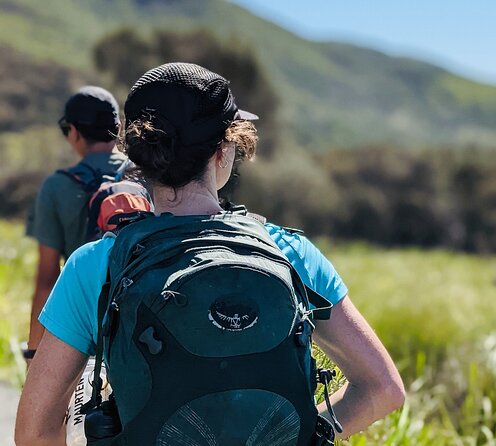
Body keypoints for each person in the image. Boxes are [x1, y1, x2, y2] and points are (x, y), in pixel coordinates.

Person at [16, 63, 404, 445]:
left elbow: (35, 432)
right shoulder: (290, 253)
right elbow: (383, 390)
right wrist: (299, 435)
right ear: (224, 149)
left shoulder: (96, 264)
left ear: (137, 153)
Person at [24, 86, 124, 364]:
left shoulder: (56, 187)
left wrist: (34, 352)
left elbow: (47, 278)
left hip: (78, 325)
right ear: (118, 128)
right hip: (140, 319)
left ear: (74, 132)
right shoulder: (147, 177)